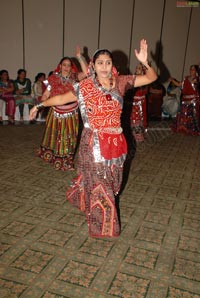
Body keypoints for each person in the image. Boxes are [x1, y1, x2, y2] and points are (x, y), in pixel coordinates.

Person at [30, 39, 157, 238]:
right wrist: (39, 106)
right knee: (101, 185)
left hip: (116, 143)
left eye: (108, 62)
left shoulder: (121, 82)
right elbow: (62, 98)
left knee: (114, 183)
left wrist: (145, 61)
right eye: (100, 63)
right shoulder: (85, 86)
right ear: (93, 66)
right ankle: (103, 226)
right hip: (93, 143)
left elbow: (151, 78)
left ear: (112, 65)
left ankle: (82, 194)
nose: (104, 67)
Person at [36, 47, 88, 171]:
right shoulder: (51, 79)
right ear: (60, 66)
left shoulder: (75, 77)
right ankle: (51, 156)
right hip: (55, 114)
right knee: (55, 135)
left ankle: (66, 162)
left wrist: (80, 58)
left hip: (71, 113)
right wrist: (41, 104)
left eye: (69, 65)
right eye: (64, 65)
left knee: (69, 137)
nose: (66, 67)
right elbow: (46, 95)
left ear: (71, 67)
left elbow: (87, 73)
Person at [171, 65, 200, 135]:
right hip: (185, 100)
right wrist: (172, 80)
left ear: (196, 71)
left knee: (194, 116)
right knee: (184, 116)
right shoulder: (186, 78)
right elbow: (179, 84)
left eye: (193, 69)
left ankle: (195, 129)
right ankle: (185, 129)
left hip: (193, 101)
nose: (191, 70)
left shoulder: (197, 79)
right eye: (190, 69)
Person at [131, 62, 148, 142]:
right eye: (136, 68)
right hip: (133, 103)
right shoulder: (132, 78)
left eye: (139, 68)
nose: (137, 70)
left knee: (139, 119)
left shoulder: (144, 80)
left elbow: (145, 92)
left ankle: (138, 136)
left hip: (140, 104)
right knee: (132, 119)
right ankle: (131, 136)